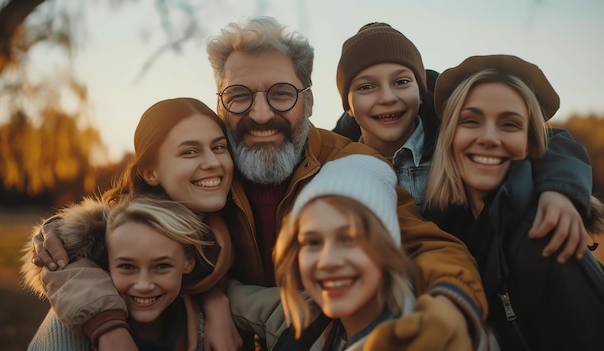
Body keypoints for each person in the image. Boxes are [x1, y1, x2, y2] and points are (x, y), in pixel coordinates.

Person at [34, 16, 485, 350]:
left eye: (282, 94)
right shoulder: (210, 169)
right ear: (220, 102)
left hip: (319, 328)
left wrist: (450, 303)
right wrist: (62, 236)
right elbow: (125, 223)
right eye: (240, 96)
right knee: (63, 325)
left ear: (308, 102)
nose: (262, 113)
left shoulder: (350, 163)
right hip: (229, 329)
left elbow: (430, 247)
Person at [333, 22, 592, 263]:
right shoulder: (333, 166)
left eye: (401, 82)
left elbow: (551, 141)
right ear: (349, 106)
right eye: (366, 87)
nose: (388, 97)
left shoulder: (455, 137)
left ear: (420, 91)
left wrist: (559, 191)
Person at [22, 97, 241, 350]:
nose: (213, 163)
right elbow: (67, 266)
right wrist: (108, 327)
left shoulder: (224, 227)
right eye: (189, 151)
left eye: (219, 147)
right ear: (150, 172)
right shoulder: (117, 233)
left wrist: (215, 299)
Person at [422, 54, 604, 350]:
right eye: (471, 121)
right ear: (448, 137)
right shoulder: (445, 228)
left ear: (531, 143)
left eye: (509, 124)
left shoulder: (547, 238)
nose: (489, 137)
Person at [28, 195, 213, 350]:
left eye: (162, 266)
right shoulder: (67, 329)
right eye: (127, 267)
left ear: (188, 261)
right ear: (107, 262)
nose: (143, 285)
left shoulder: (205, 323)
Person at [273, 154, 417, 350]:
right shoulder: (311, 325)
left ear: (388, 247)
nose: (327, 261)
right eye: (312, 242)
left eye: (349, 239)